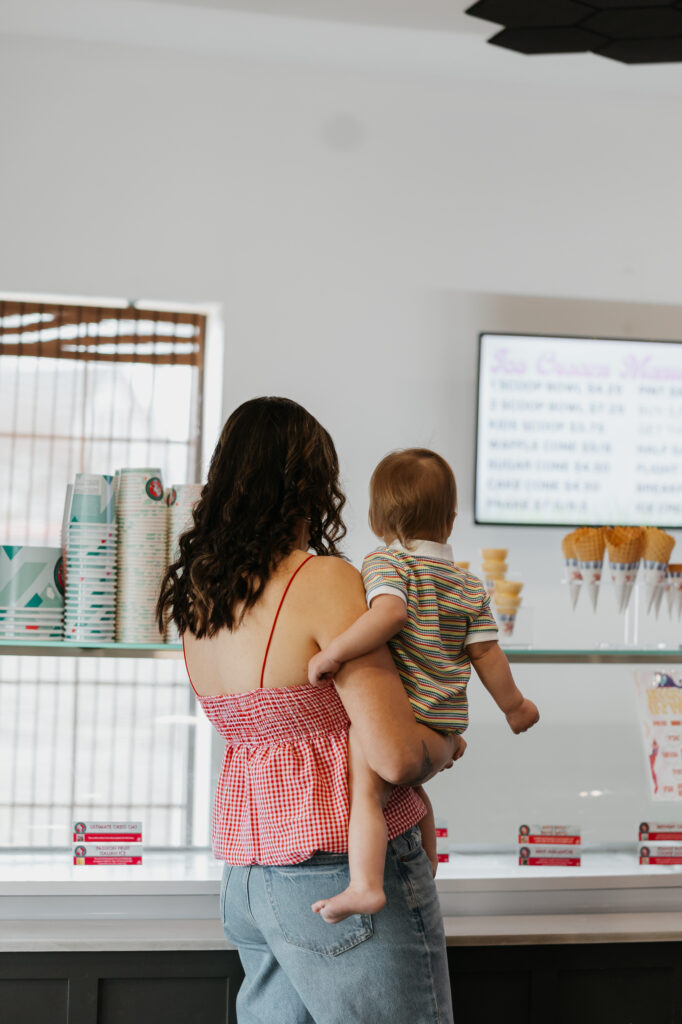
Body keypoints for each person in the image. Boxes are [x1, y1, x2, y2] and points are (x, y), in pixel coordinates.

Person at [157, 398, 462, 1024]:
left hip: (249, 877)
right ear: (313, 485)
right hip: (336, 870)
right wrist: (448, 746)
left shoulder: (199, 595)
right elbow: (399, 756)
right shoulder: (321, 580)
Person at [308, 448, 539, 924]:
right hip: (443, 731)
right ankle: (427, 863)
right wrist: (514, 707)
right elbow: (487, 655)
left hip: (402, 723)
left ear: (375, 519)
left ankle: (366, 885)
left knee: (369, 794)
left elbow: (388, 615)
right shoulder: (467, 584)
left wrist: (333, 653)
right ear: (450, 521)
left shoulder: (387, 565)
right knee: (411, 792)